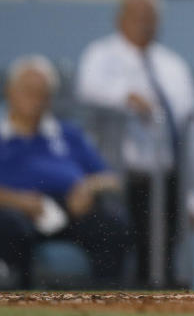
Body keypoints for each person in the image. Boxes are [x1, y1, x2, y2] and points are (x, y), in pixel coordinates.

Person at [74, 0, 194, 288]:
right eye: (136, 16)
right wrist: (125, 96)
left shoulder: (172, 64)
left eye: (149, 17)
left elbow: (191, 127)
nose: (143, 23)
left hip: (166, 177)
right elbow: (86, 89)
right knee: (116, 252)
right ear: (120, 19)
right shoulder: (101, 54)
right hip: (117, 177)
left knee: (163, 257)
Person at [0, 55, 128, 288]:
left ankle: (106, 300)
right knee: (9, 227)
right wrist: (17, 201)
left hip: (69, 208)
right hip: (14, 210)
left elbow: (111, 180)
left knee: (111, 223)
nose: (34, 99)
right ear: (9, 92)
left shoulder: (67, 134)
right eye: (27, 90)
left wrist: (86, 187)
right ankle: (21, 300)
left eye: (41, 93)